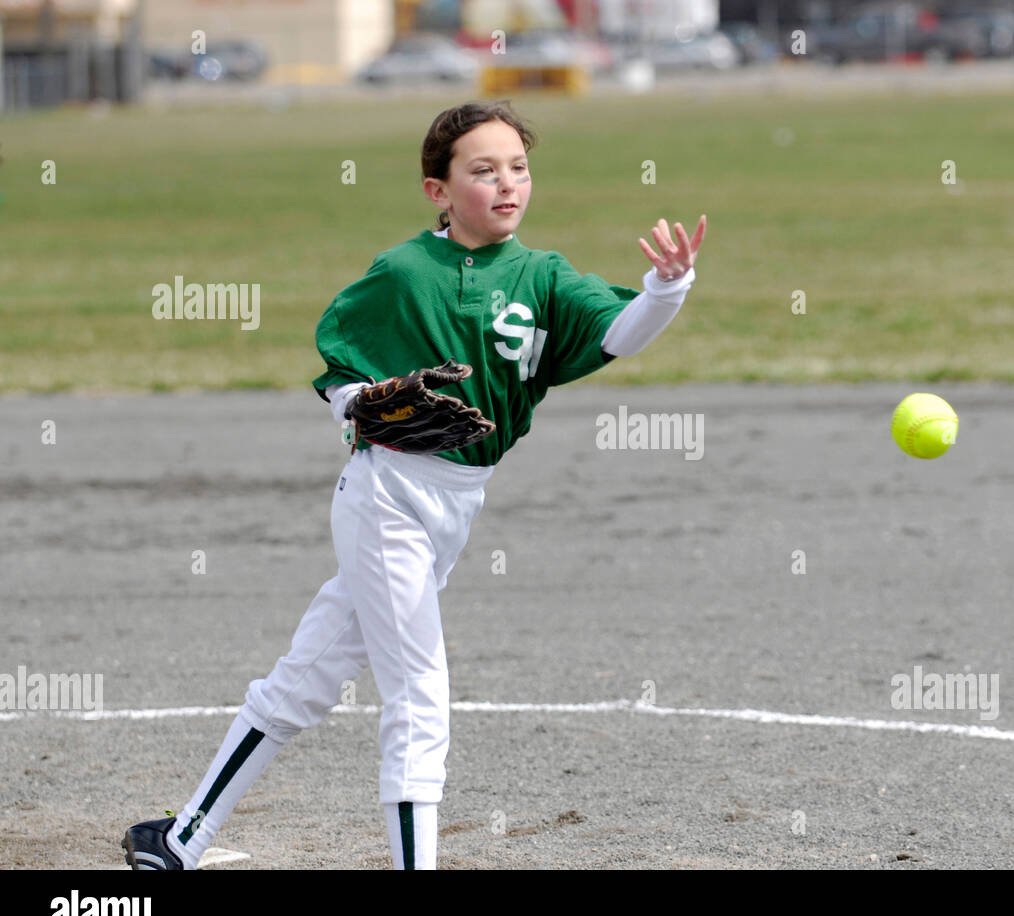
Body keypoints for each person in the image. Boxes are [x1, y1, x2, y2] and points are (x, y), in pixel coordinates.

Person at [121, 100, 707, 870]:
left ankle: (182, 838)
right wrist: (363, 404)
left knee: (308, 677)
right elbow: (340, 372)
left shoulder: (544, 275)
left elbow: (616, 334)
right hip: (387, 495)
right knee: (420, 697)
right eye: (483, 170)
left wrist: (666, 288)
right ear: (438, 189)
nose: (507, 184)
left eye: (519, 167)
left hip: (456, 506)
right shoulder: (403, 272)